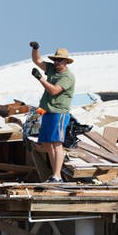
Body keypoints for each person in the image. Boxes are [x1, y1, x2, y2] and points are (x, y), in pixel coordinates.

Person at [29, 42, 75, 183]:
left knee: (56, 144)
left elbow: (54, 90)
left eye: (59, 60)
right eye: (55, 59)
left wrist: (40, 78)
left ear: (66, 61)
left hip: (59, 113)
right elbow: (37, 60)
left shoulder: (67, 77)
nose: (56, 62)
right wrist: (36, 49)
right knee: (48, 144)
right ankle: (54, 176)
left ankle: (57, 175)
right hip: (48, 112)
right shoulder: (52, 69)